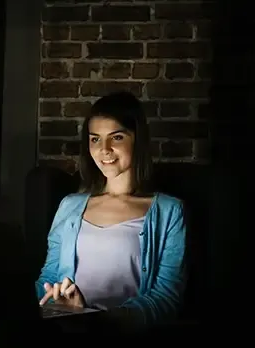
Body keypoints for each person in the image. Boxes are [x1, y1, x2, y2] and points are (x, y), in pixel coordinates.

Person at [35, 91, 187, 330]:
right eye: (95, 139)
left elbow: (166, 298)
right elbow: (48, 277)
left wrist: (97, 320)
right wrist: (57, 302)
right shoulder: (70, 205)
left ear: (137, 139)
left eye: (116, 138)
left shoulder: (169, 211)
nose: (103, 149)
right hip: (67, 331)